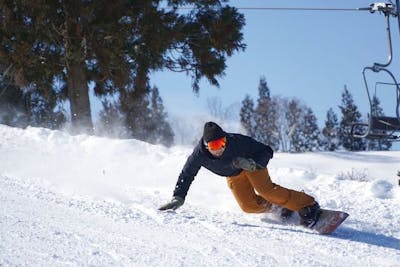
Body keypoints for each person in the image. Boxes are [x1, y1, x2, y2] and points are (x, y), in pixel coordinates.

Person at [159, 121, 321, 227]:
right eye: (214, 146)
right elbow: (187, 175)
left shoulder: (236, 142)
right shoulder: (198, 156)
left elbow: (266, 151)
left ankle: (308, 205)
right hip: (234, 174)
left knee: (266, 190)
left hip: (251, 165)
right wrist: (178, 197)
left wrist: (253, 163)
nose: (220, 148)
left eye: (222, 143)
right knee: (247, 206)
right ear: (206, 146)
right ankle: (279, 207)